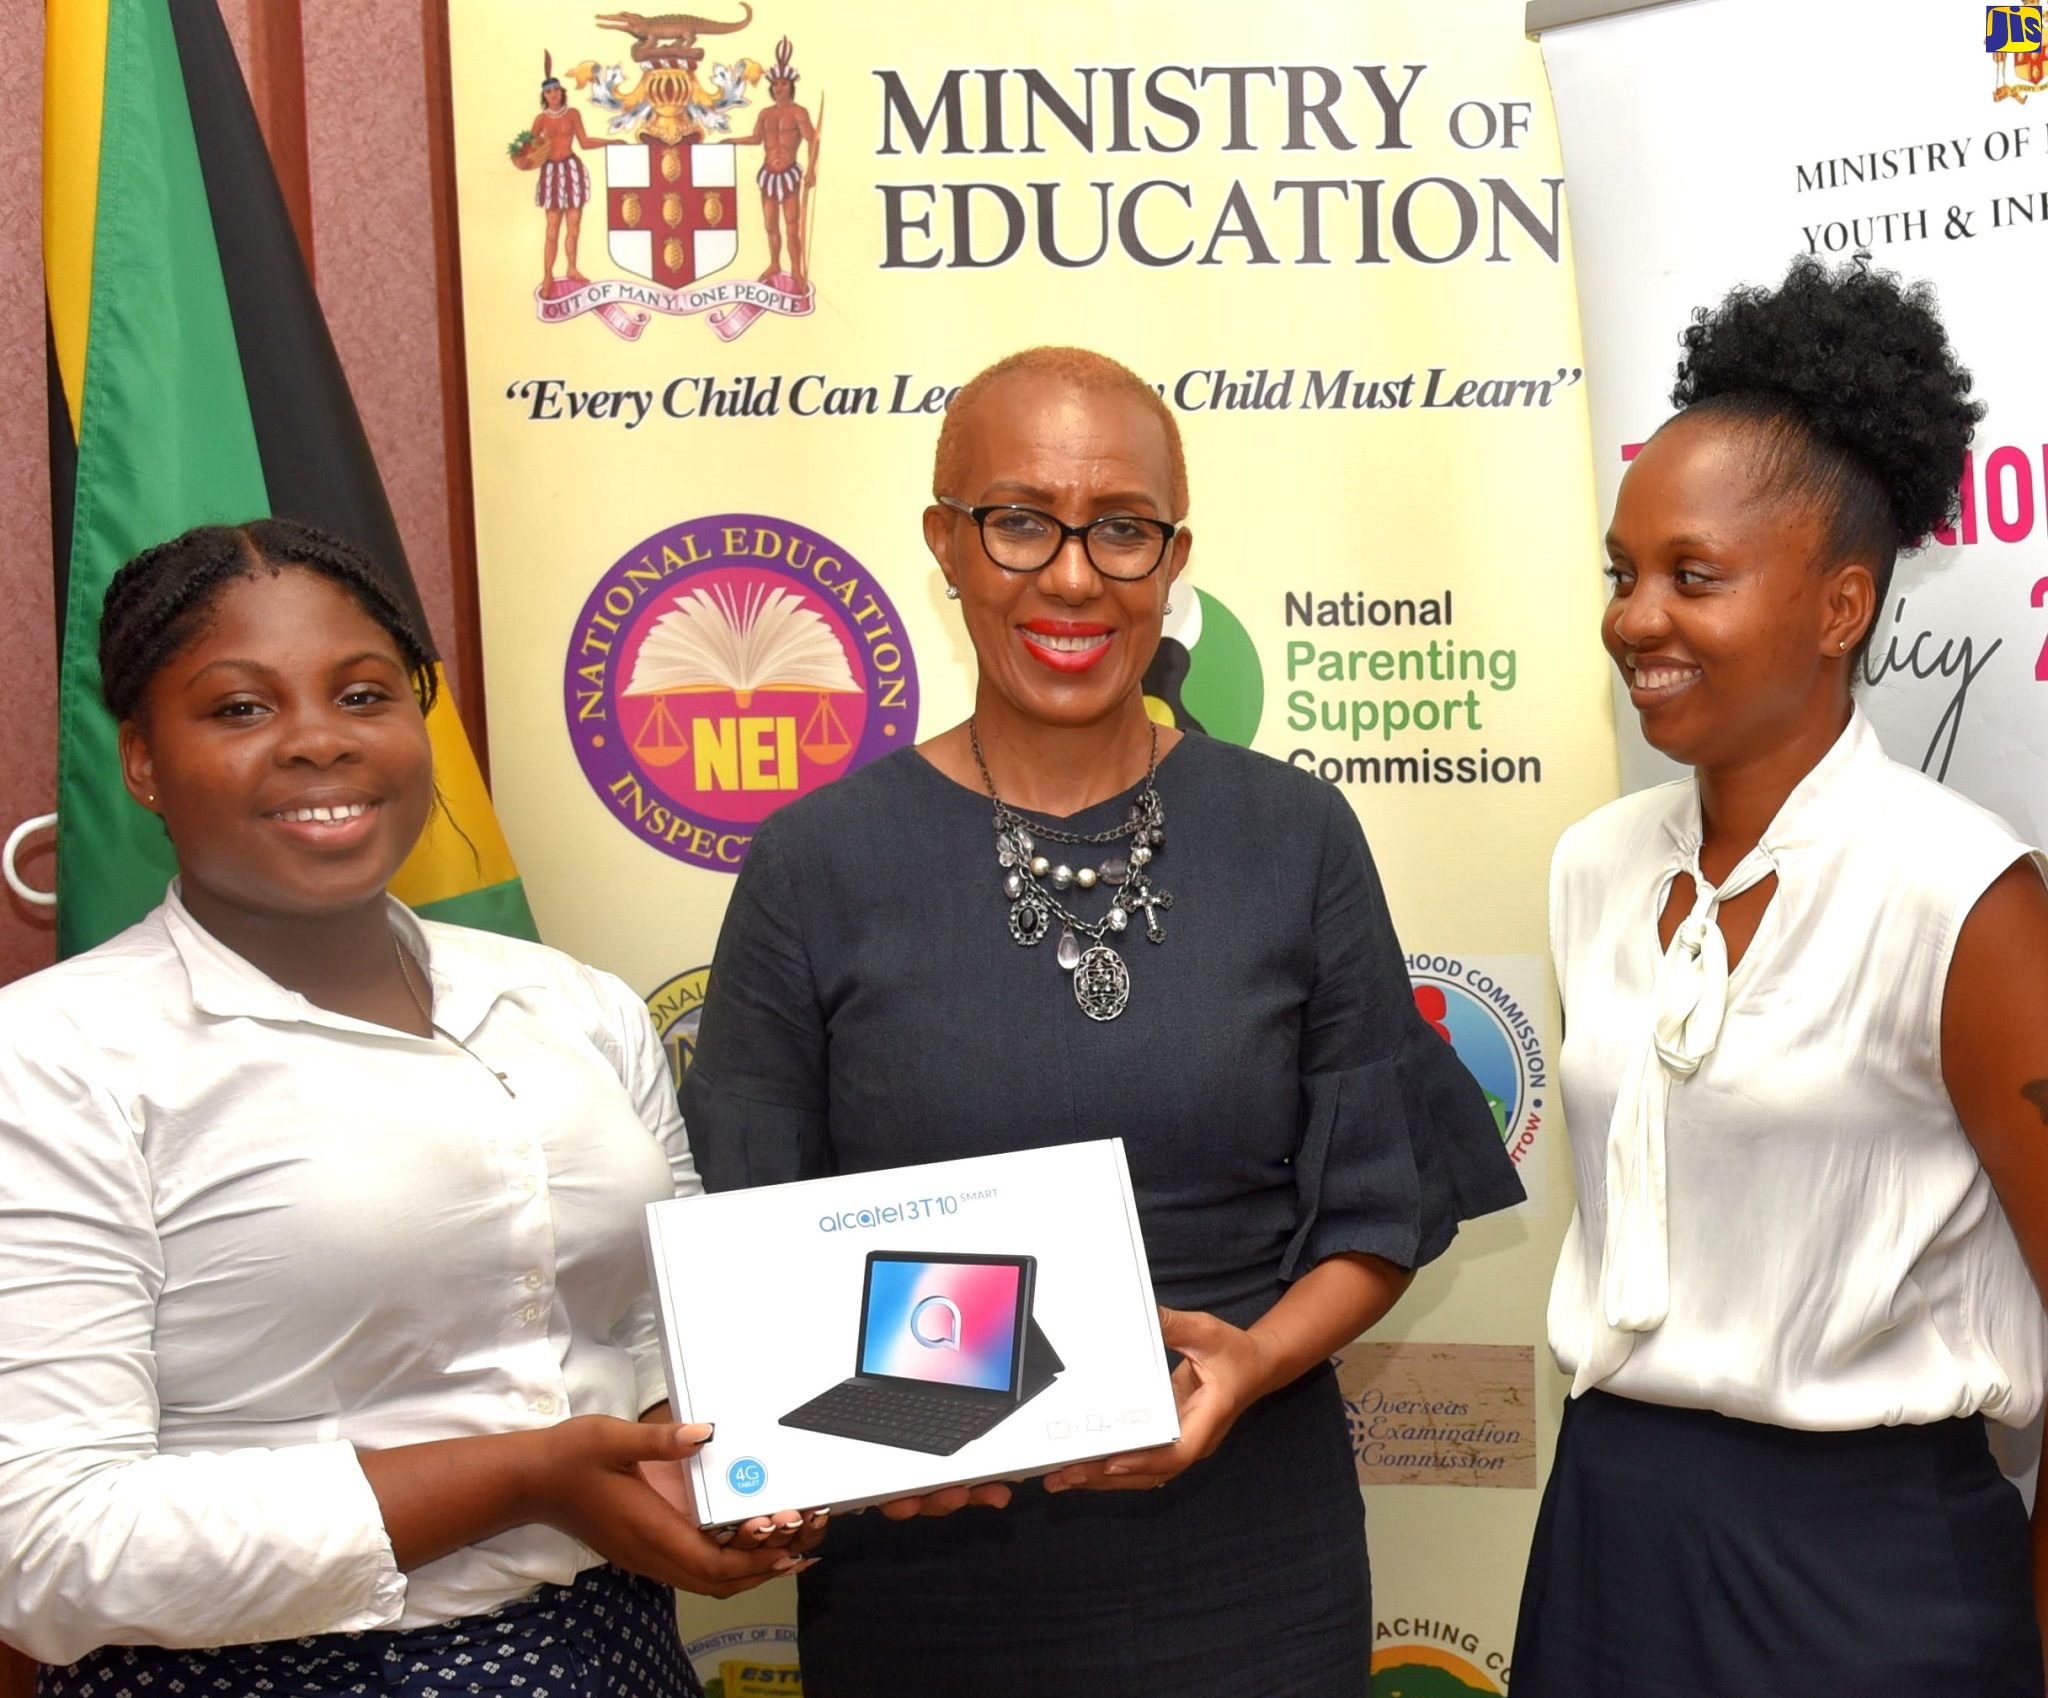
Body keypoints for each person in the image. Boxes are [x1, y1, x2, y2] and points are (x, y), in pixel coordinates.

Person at [682, 346, 1524, 1696]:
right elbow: (748, 1262)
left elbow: (1377, 1209)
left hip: (1249, 1553)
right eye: (1021, 521)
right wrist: (878, 1427)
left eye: (1122, 531)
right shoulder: (814, 865)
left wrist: (1250, 1364)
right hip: (932, 1567)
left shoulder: (1294, 835)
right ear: (944, 543)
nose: (1072, 578)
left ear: (1173, 554)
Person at [0, 520, 822, 1697]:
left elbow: (662, 1342)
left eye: (364, 693)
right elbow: (44, 1547)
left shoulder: (571, 1005)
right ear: (140, 760)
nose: (316, 743)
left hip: (620, 1656)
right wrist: (524, 1476)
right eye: (239, 708)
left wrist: (750, 1471)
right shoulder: (52, 1058)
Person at [1511, 258, 2048, 1694]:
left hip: (1867, 1577)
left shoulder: (1963, 891)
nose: (1636, 617)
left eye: (1694, 575)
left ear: (1840, 606)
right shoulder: (1594, 866)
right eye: (1622, 574)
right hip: (1611, 1531)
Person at [720, 36, 817, 287]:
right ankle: (775, 263)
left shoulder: (799, 112)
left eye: (783, 84)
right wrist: (733, 141)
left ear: (790, 86)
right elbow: (755, 139)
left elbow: (812, 140)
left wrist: (812, 171)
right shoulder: (765, 114)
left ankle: (796, 270)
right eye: (775, 84)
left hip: (789, 174)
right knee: (770, 224)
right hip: (767, 175)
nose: (779, 88)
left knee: (792, 225)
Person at [532, 71, 613, 296]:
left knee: (574, 226)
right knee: (552, 228)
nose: (553, 95)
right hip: (551, 174)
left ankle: (572, 268)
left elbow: (585, 142)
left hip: (571, 170)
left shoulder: (573, 114)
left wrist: (611, 142)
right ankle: (548, 275)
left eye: (556, 90)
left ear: (561, 91)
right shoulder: (541, 120)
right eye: (548, 92)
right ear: (544, 96)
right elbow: (530, 148)